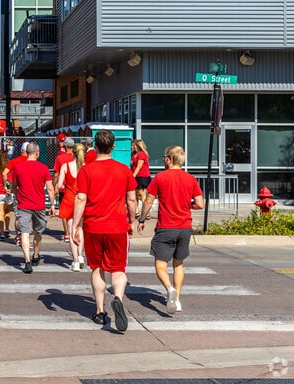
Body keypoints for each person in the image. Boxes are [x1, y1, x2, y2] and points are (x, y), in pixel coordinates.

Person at [72, 129, 137, 331]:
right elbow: (132, 199)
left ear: (95, 145)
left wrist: (75, 225)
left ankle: (100, 311)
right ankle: (117, 297)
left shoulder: (86, 170)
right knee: (118, 269)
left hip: (93, 226)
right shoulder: (124, 169)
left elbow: (81, 198)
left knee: (97, 267)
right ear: (113, 146)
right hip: (117, 226)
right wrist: (132, 221)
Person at [137, 145, 204, 315]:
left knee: (160, 265)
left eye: (164, 157)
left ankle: (169, 289)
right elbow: (200, 204)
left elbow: (147, 202)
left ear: (170, 159)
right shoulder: (191, 179)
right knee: (178, 264)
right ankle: (178, 299)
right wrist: (187, 205)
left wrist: (142, 219)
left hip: (166, 227)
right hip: (185, 227)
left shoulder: (160, 177)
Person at [12, 142, 55, 274]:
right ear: (37, 153)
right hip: (39, 205)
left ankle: (27, 261)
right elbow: (50, 188)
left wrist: (18, 196)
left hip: (24, 204)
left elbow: (14, 186)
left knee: (24, 232)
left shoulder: (18, 168)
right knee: (38, 232)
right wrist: (52, 205)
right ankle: (36, 255)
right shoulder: (43, 168)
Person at [57, 141, 86, 271]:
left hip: (69, 198)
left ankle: (75, 261)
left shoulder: (66, 165)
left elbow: (59, 186)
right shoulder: (86, 167)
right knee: (80, 229)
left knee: (71, 228)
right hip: (83, 199)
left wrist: (67, 186)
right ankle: (80, 256)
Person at [2, 142, 29, 245]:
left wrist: (6, 185)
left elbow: (4, 173)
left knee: (18, 215)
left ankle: (18, 236)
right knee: (28, 216)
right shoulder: (33, 161)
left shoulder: (14, 161)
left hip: (17, 191)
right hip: (29, 192)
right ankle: (24, 237)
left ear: (21, 150)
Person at [53, 137, 75, 241]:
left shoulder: (60, 158)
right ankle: (75, 231)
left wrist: (55, 186)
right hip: (76, 188)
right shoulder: (77, 157)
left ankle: (67, 233)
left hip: (63, 188)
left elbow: (56, 174)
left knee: (64, 211)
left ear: (65, 146)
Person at [131, 139, 151, 218]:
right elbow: (132, 164)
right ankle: (136, 212)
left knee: (142, 195)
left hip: (142, 176)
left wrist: (132, 176)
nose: (133, 147)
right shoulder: (133, 154)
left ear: (138, 146)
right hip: (135, 176)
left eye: (134, 145)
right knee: (135, 194)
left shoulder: (142, 154)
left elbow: (139, 167)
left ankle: (146, 213)